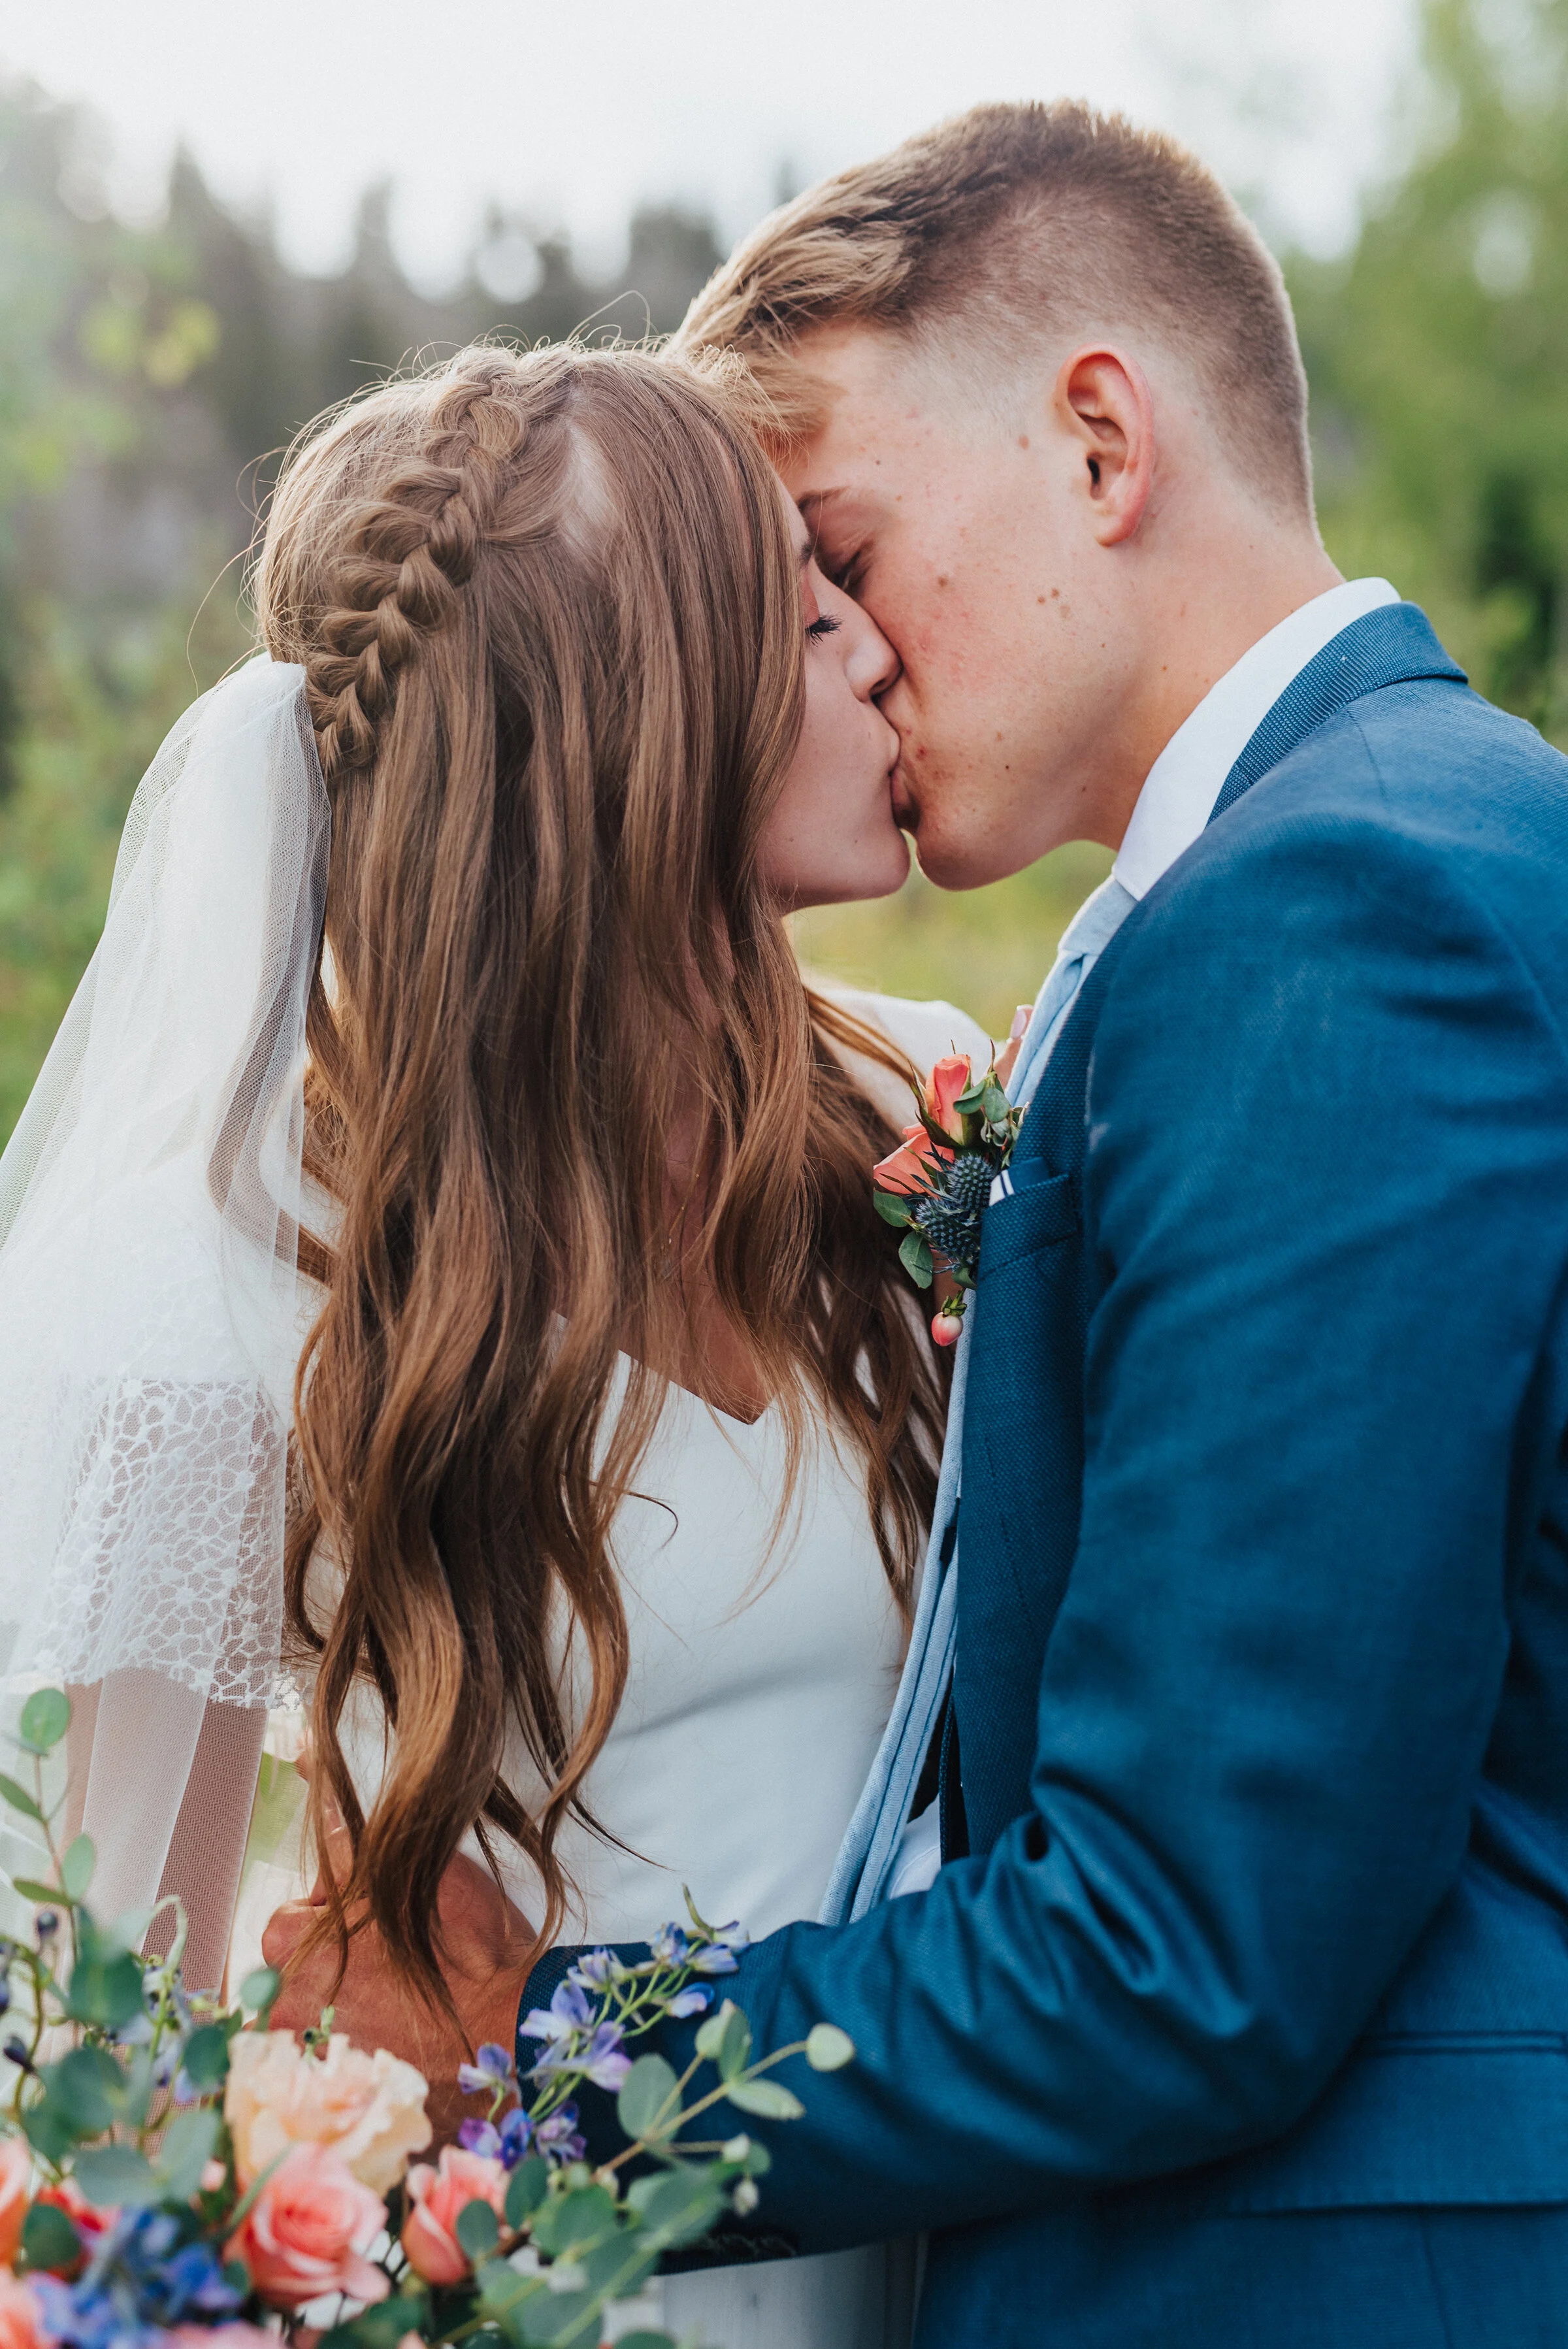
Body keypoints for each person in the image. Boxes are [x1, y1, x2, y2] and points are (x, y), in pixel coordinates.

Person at [406, 101, 1568, 2348]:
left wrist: (530, 2074)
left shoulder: (1338, 911)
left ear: (1102, 446)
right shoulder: (1386, 852)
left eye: (840, 545)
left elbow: (1185, 1939)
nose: (828, 650)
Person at [219, 342, 993, 2349]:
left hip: (952, 2230)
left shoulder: (936, 1113)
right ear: (644, 733)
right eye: (805, 608)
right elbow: (179, 1989)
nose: (876, 655)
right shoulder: (296, 1273)